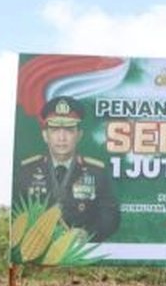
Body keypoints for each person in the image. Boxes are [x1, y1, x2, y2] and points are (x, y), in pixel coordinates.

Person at [15, 95, 121, 241]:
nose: (62, 138)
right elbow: (15, 214)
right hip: (35, 255)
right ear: (45, 135)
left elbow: (111, 216)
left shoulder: (96, 172)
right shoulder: (27, 171)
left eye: (69, 130)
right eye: (55, 130)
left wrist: (88, 233)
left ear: (79, 135)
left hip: (79, 254)